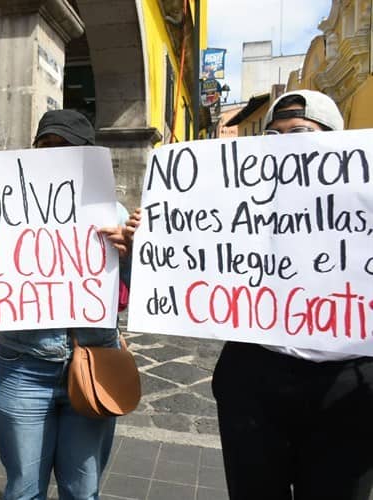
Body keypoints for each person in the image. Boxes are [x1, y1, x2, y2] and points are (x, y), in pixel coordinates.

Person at [123, 90, 373, 500]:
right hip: (254, 376)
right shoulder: (243, 201)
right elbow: (196, 248)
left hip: (345, 387)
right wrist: (153, 238)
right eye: (272, 136)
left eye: (299, 133)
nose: (282, 146)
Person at [0, 109, 130, 499]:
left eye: (66, 148)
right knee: (22, 490)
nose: (54, 156)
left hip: (93, 364)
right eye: (45, 147)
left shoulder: (113, 216)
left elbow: (136, 294)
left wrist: (134, 254)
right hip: (23, 366)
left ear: (88, 155)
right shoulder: (2, 211)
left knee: (82, 491)